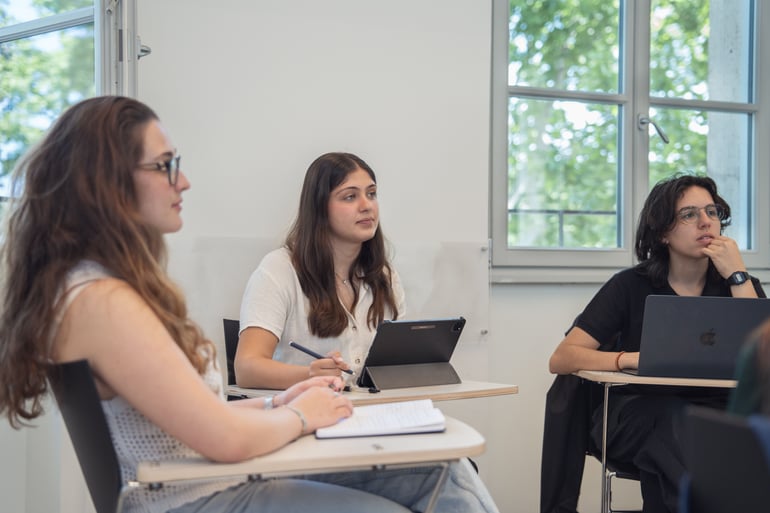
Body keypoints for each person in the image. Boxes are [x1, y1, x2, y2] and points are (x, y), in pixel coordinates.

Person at [0, 96, 499, 513]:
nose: (184, 180)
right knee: (437, 484)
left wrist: (278, 403)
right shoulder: (103, 302)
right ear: (106, 182)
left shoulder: (97, 290)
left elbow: (197, 417)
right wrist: (306, 414)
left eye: (371, 194)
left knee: (445, 472)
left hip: (211, 478)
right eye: (165, 165)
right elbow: (224, 440)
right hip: (198, 496)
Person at [547, 174, 765, 513]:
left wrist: (738, 276)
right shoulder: (629, 286)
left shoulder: (738, 285)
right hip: (636, 416)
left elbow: (763, 361)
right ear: (663, 231)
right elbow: (562, 358)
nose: (706, 221)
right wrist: (628, 359)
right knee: (671, 424)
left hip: (716, 416)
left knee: (682, 445)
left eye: (712, 211)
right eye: (689, 214)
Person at [234, 152, 405, 389]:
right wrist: (309, 375)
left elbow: (397, 367)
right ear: (319, 208)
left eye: (372, 194)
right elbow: (246, 368)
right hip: (304, 417)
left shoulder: (385, 276)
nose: (367, 206)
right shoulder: (279, 270)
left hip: (372, 417)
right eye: (350, 197)